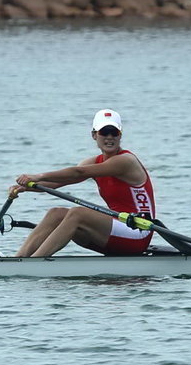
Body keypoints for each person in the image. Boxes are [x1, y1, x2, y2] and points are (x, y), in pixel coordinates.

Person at [9, 109, 156, 257]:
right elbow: (55, 184)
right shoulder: (94, 162)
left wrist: (38, 176)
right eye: (104, 132)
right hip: (116, 229)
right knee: (56, 213)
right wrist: (24, 188)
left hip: (138, 231)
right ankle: (19, 260)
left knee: (78, 214)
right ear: (94, 135)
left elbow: (79, 172)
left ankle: (35, 262)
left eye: (114, 132)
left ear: (120, 135)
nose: (109, 137)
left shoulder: (125, 161)